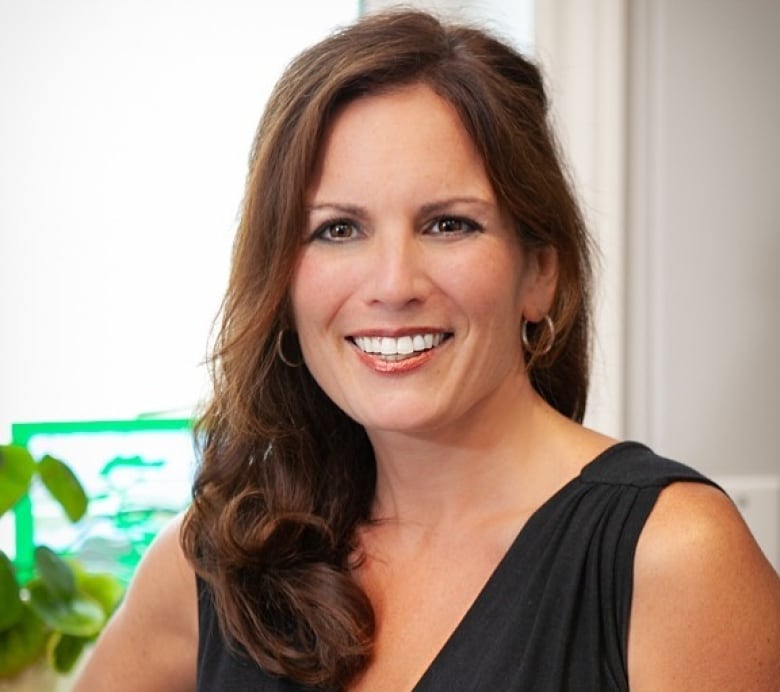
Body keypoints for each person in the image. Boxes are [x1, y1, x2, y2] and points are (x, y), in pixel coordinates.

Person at [74, 9, 780, 691]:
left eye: (448, 224)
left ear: (540, 272)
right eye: (338, 230)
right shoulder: (213, 562)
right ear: (282, 282)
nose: (393, 284)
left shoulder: (673, 557)